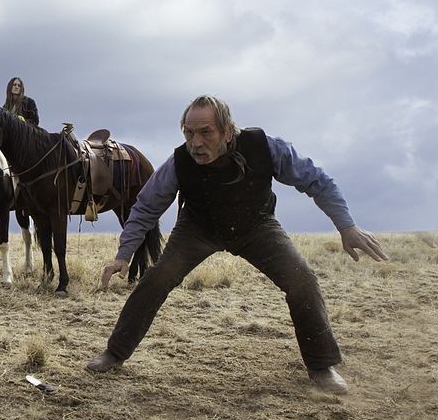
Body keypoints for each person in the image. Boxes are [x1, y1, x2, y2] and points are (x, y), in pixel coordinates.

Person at [85, 94, 387, 395]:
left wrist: (346, 227)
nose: (196, 143)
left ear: (228, 131)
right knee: (157, 277)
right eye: (189, 133)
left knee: (301, 279)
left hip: (256, 225)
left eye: (206, 133)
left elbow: (316, 181)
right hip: (198, 228)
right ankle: (115, 352)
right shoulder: (178, 162)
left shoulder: (265, 147)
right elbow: (146, 207)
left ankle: (322, 366)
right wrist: (124, 255)